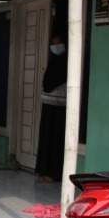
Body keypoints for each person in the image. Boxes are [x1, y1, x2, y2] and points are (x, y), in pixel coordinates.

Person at [36, 33, 67, 183]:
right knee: (47, 138)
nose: (56, 47)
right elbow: (47, 83)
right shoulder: (52, 63)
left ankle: (54, 173)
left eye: (58, 43)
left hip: (60, 108)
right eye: (53, 44)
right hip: (48, 106)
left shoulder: (67, 64)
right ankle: (44, 170)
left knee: (56, 139)